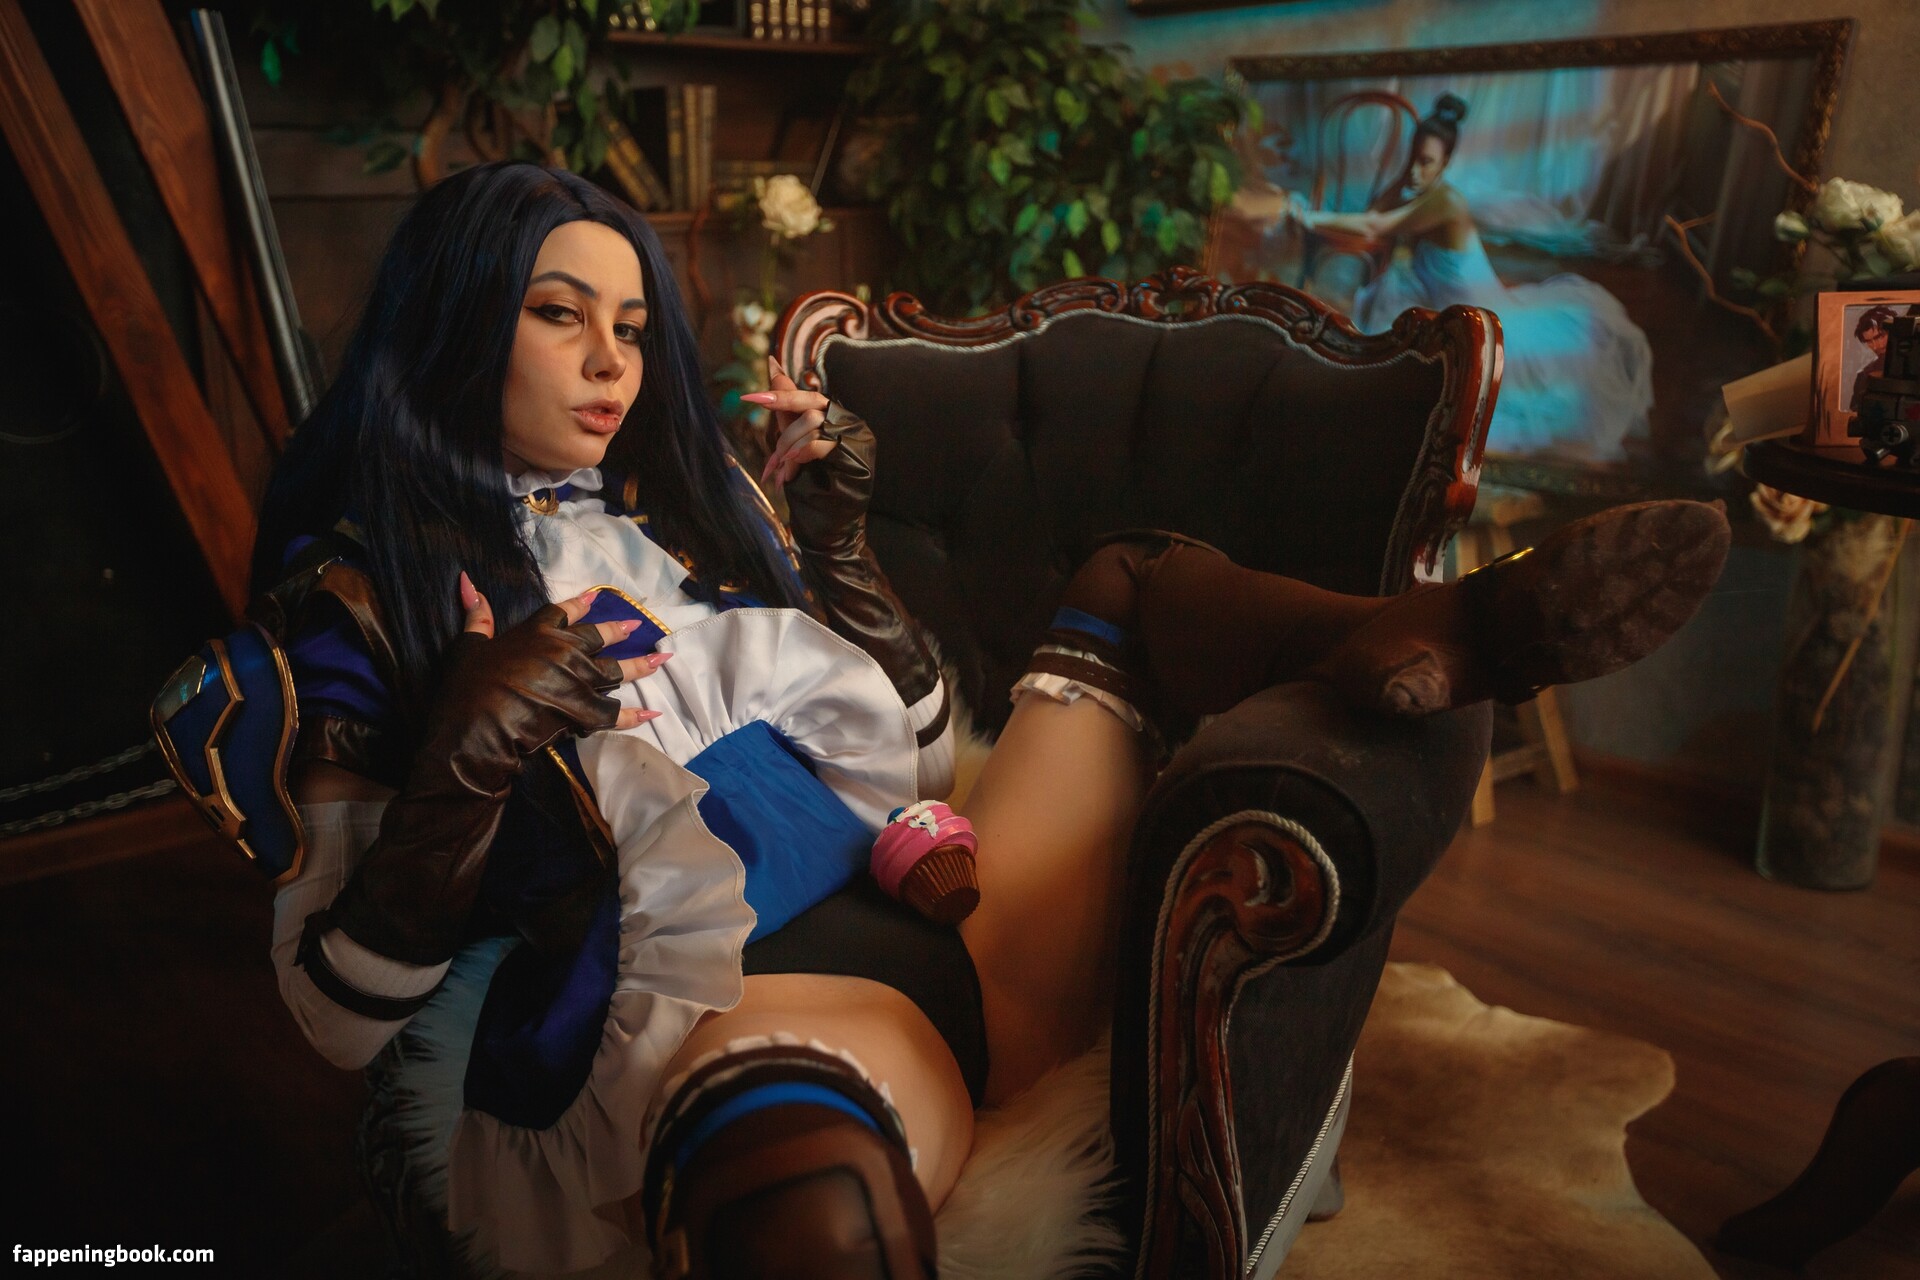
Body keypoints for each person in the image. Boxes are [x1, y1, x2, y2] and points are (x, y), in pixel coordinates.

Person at [193, 160, 1727, 1279]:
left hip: (963, 916)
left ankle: (1433, 629)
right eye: (559, 316)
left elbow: (915, 754)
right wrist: (462, 769)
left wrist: (841, 564)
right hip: (758, 1009)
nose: (613, 362)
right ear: (455, 324)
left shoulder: (661, 526)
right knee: (804, 1191)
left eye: (635, 327)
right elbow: (340, 1016)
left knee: (1126, 574)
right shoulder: (359, 608)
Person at [1278, 93, 1657, 462]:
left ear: (1445, 164)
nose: (1415, 171)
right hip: (1453, 311)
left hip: (1487, 318)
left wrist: (1309, 217)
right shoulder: (1416, 189)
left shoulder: (1446, 202)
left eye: (1426, 162)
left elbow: (1375, 225)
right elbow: (1377, 213)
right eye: (1412, 159)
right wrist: (1398, 181)